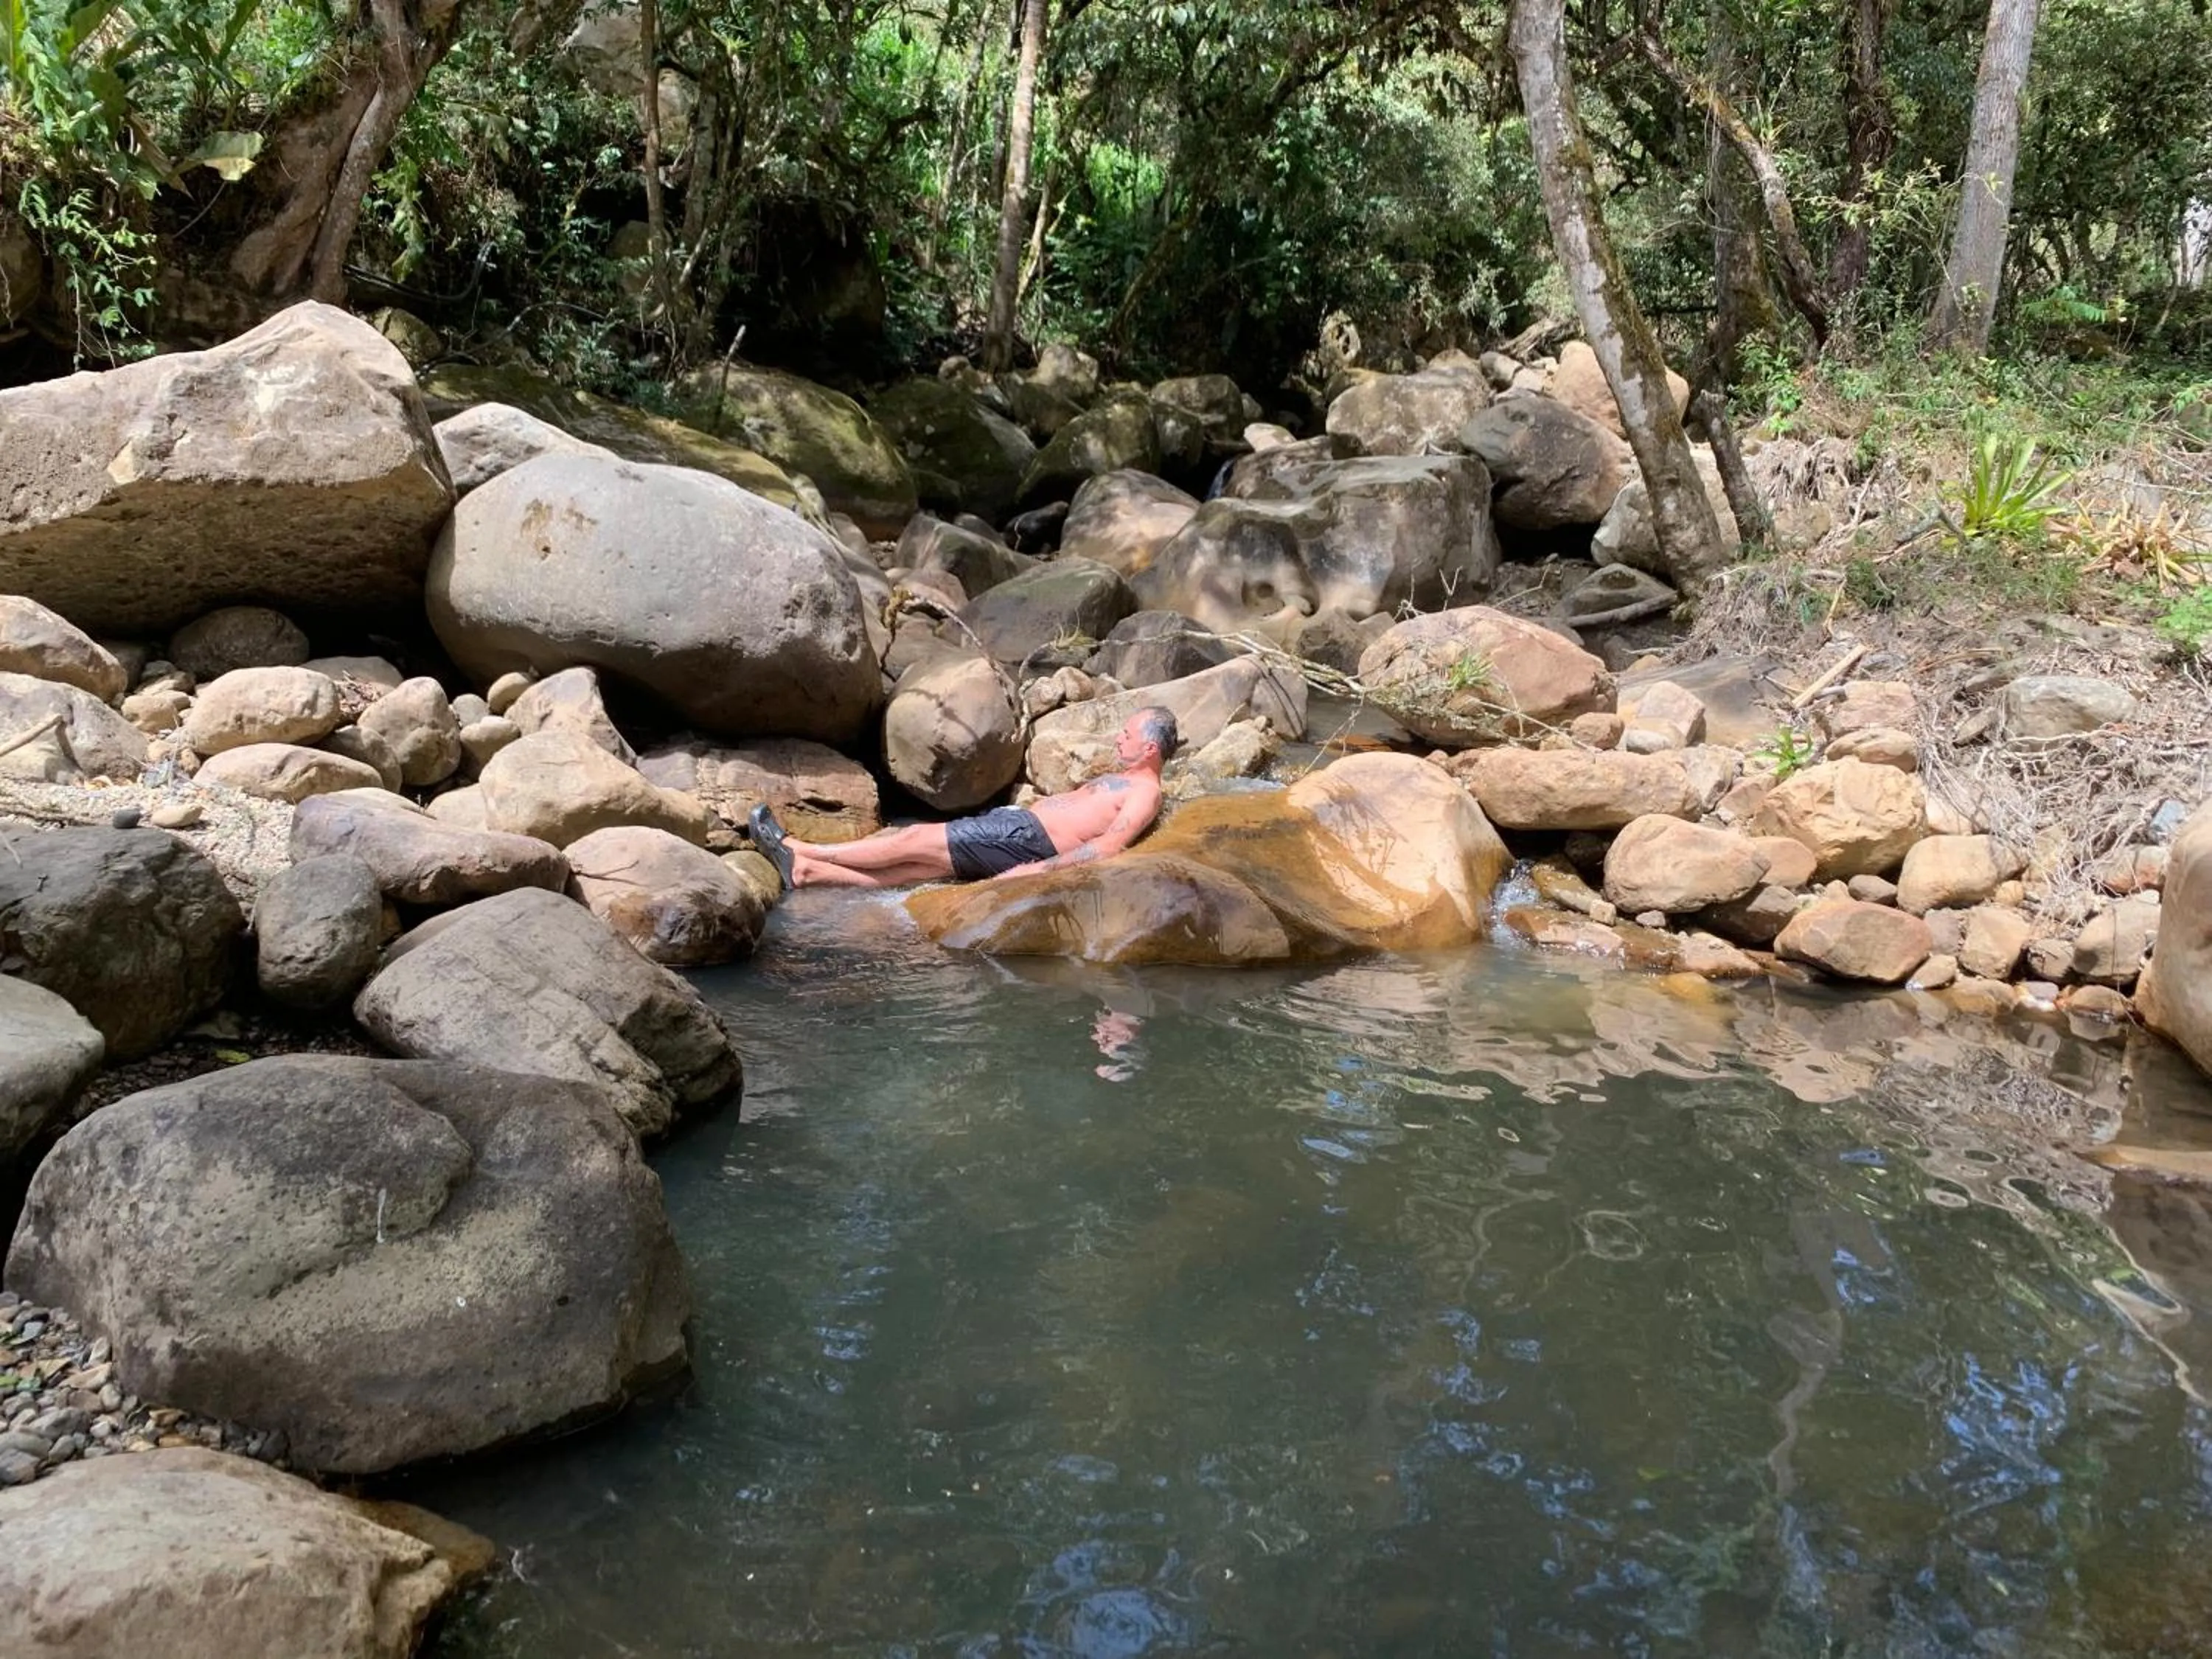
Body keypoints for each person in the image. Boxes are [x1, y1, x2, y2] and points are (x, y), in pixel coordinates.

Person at [751, 708, 1179, 890]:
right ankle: (809, 874)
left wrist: (1035, 871)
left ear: (1150, 750)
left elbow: (1108, 845)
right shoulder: (1125, 780)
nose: (1119, 737)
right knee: (917, 869)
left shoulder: (1145, 792)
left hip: (1028, 841)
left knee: (912, 839)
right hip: (1020, 830)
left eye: (1128, 733)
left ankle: (800, 849)